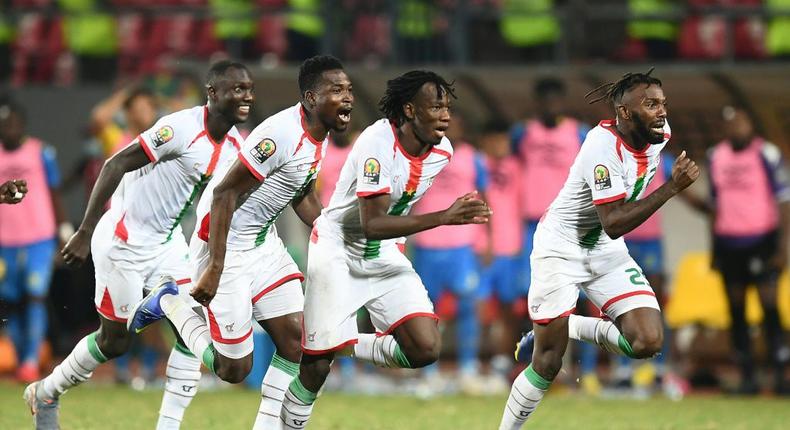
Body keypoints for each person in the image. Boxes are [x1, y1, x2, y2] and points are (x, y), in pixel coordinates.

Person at [23, 60, 253, 430]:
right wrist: (84, 230)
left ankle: (168, 425)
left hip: (168, 244)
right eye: (237, 89)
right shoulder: (179, 128)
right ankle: (47, 391)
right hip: (124, 242)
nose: (247, 96)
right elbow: (114, 164)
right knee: (115, 342)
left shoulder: (236, 147)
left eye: (249, 89)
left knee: (191, 327)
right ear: (213, 94)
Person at [127, 55, 354, 429]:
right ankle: (171, 301)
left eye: (348, 90)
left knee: (298, 342)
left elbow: (300, 194)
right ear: (312, 98)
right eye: (336, 91)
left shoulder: (319, 135)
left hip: (262, 244)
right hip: (223, 242)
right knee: (234, 368)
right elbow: (223, 195)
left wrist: (334, 235)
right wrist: (214, 267)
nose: (346, 98)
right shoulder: (280, 133)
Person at [278, 70, 491, 428]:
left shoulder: (444, 152)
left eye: (447, 107)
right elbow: (371, 223)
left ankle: (337, 341)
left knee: (425, 348)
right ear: (409, 110)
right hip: (338, 250)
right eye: (435, 106)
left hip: (383, 251)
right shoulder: (377, 141)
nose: (445, 115)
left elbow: (387, 222)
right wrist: (443, 217)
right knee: (315, 367)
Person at [500, 70, 699, 429]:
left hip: (605, 250)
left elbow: (611, 231)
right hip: (561, 248)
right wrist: (671, 188)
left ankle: (569, 325)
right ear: (624, 112)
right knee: (547, 362)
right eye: (651, 104)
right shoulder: (600, 146)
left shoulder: (660, 135)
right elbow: (614, 221)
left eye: (663, 103)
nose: (662, 112)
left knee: (647, 341)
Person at [703, 106, 789, 394]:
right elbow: (714, 207)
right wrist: (713, 248)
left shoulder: (767, 154)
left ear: (750, 124)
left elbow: (783, 201)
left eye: (741, 122)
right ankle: (747, 377)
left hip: (762, 241)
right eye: (730, 124)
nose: (736, 128)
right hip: (729, 244)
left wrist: (782, 247)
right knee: (736, 312)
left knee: (769, 308)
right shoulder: (716, 156)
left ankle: (780, 376)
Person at [411, 112, 489, 393]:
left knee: (469, 305)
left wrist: (486, 239)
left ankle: (467, 368)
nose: (449, 126)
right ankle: (428, 372)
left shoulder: (474, 157)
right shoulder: (422, 154)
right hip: (427, 243)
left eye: (455, 122)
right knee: (424, 310)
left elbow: (485, 198)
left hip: (462, 245)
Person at [0, 99, 69, 383]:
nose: (9, 128)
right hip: (4, 241)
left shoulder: (41, 152)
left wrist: (64, 229)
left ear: (23, 124)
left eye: (14, 122)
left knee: (36, 295)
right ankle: (20, 359)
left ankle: (30, 361)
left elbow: (54, 192)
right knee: (10, 302)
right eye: (4, 124)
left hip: (39, 238)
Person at [475, 118, 523, 388]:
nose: (500, 145)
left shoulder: (517, 166)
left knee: (508, 309)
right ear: (484, 142)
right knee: (480, 309)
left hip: (511, 248)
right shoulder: (476, 163)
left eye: (504, 140)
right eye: (495, 140)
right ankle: (479, 362)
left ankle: (503, 362)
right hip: (482, 248)